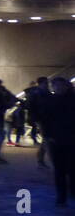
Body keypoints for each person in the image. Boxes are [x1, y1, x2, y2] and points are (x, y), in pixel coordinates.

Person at [45, 76, 75, 207]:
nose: (58, 88)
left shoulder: (72, 100)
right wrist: (48, 135)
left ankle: (71, 192)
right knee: (59, 169)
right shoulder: (51, 101)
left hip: (71, 139)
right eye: (55, 86)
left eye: (60, 86)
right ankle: (61, 196)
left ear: (66, 86)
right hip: (56, 140)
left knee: (72, 168)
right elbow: (46, 120)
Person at [24, 77, 52, 167]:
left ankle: (41, 159)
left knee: (46, 139)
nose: (47, 84)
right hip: (41, 118)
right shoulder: (36, 93)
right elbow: (30, 107)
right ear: (41, 83)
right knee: (46, 138)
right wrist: (35, 118)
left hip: (45, 118)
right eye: (46, 83)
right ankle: (48, 160)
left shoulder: (45, 92)